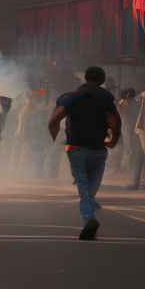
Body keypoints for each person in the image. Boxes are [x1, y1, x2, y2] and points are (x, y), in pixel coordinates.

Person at [48, 66, 121, 240]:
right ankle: (89, 213)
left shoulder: (71, 97)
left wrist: (54, 135)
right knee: (91, 186)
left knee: (82, 184)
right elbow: (115, 123)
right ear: (101, 81)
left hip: (76, 149)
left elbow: (54, 119)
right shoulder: (105, 99)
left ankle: (89, 218)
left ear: (85, 78)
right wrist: (112, 141)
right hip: (98, 150)